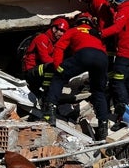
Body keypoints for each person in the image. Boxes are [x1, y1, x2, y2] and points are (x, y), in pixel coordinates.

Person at [42, 12, 109, 141]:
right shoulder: (95, 33)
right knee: (98, 92)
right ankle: (103, 127)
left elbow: (59, 47)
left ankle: (49, 112)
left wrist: (58, 66)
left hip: (84, 54)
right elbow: (103, 49)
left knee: (58, 78)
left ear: (78, 22)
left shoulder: (73, 30)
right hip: (102, 58)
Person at [101, 0, 129, 131]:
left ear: (116, 1)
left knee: (118, 83)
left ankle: (123, 114)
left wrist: (100, 33)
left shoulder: (123, 12)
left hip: (124, 54)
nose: (112, 7)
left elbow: (117, 27)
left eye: (112, 4)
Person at [21, 17, 70, 103]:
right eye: (61, 31)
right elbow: (45, 59)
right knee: (51, 66)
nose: (62, 34)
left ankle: (48, 94)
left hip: (38, 72)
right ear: (54, 29)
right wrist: (61, 68)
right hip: (30, 72)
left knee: (54, 68)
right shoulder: (42, 38)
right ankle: (47, 94)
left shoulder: (53, 43)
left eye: (64, 32)